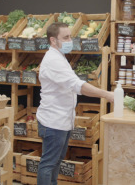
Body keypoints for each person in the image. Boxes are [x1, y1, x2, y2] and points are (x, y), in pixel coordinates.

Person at [36, 22, 114, 185]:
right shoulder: (53, 60)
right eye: (65, 37)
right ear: (53, 40)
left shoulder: (60, 57)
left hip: (61, 121)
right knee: (48, 164)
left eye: (70, 36)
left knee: (55, 163)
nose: (70, 40)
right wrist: (106, 94)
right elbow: (77, 85)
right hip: (53, 122)